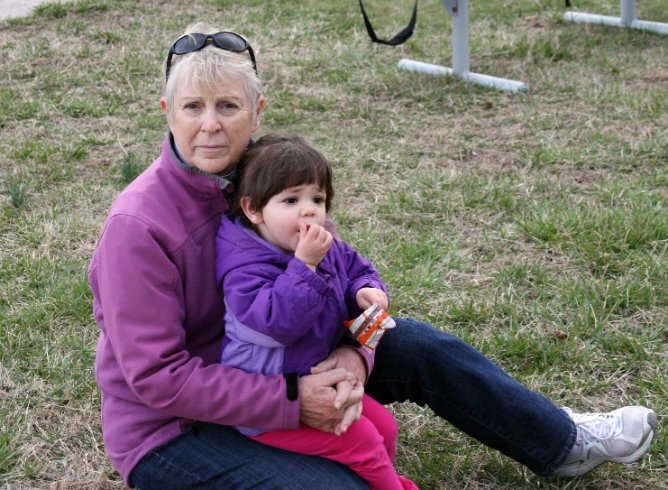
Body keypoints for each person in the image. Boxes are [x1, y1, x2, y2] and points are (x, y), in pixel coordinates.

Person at [87, 22, 657, 489]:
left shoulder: (270, 176)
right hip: (177, 430)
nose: (210, 124)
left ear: (258, 110)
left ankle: (561, 441)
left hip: (291, 356)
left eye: (228, 105)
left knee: (420, 346)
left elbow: (340, 267)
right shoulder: (137, 227)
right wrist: (291, 402)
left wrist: (360, 348)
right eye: (192, 107)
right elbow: (157, 378)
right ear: (167, 110)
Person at [215, 133, 417, 489]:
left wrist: (367, 291)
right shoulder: (243, 268)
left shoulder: (323, 245)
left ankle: (382, 481)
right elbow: (278, 325)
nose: (309, 210)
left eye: (317, 198)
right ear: (253, 209)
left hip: (316, 378)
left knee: (384, 428)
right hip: (271, 403)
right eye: (291, 199)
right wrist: (304, 267)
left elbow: (357, 269)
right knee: (364, 443)